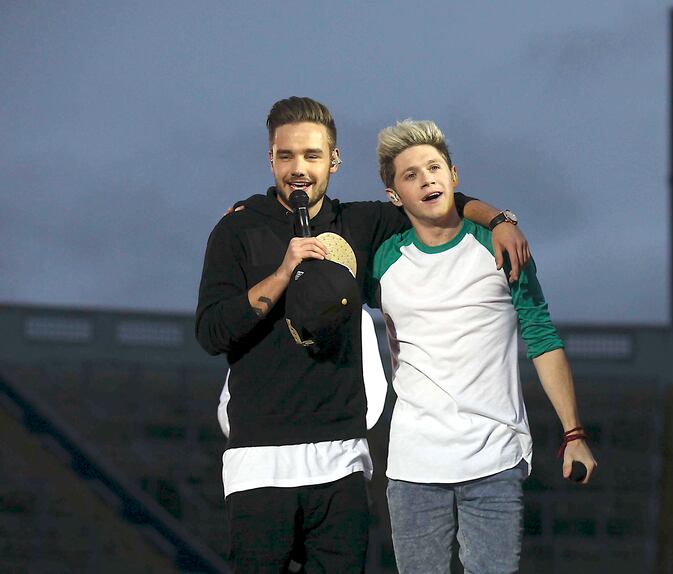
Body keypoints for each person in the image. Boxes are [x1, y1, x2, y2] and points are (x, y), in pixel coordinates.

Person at [195, 96, 533, 573]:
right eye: (286, 155)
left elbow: (435, 201)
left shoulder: (360, 223)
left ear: (334, 159)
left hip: (342, 463)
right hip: (258, 460)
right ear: (270, 157)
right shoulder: (237, 231)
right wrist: (282, 273)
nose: (299, 169)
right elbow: (211, 332)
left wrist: (498, 219)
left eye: (313, 155)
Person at [367, 119, 598, 574]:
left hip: (495, 459)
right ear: (395, 196)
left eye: (433, 167)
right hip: (414, 465)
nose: (426, 179)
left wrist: (574, 435)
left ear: (454, 175)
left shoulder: (501, 247)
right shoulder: (382, 260)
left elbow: (542, 338)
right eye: (410, 175)